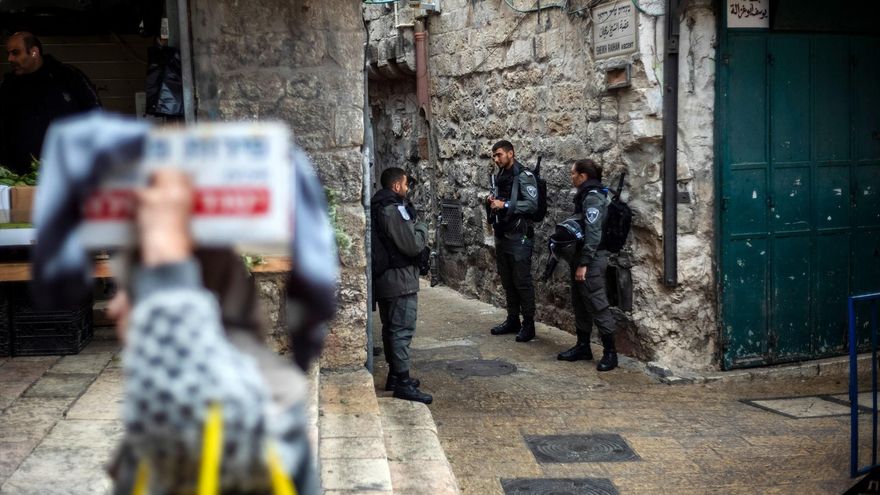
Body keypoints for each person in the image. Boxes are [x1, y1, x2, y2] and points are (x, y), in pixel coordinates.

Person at [106, 170, 319, 494]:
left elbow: (191, 388)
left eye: (128, 290)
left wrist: (165, 260)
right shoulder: (269, 395)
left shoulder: (219, 406)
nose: (113, 308)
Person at [371, 167, 433, 404]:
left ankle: (395, 376)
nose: (407, 189)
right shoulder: (394, 209)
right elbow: (412, 245)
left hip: (388, 278)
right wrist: (422, 228)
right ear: (397, 186)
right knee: (402, 330)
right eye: (405, 185)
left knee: (391, 329)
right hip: (399, 280)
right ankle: (403, 383)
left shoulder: (379, 205)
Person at [0, 31, 101, 174]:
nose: (10, 58)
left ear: (34, 52)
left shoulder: (67, 76)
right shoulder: (8, 87)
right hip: (21, 175)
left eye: (16, 53)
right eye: (8, 53)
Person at [557, 159, 618, 371]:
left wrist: (584, 263)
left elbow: (593, 234)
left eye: (573, 173)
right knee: (580, 303)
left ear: (582, 176)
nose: (571, 176)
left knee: (597, 303)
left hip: (591, 258)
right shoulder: (587, 194)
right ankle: (583, 346)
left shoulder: (592, 197)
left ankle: (610, 353)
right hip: (581, 257)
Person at [485, 140, 539, 342]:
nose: (496, 159)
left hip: (519, 237)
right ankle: (512, 319)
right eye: (494, 156)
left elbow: (532, 205)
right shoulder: (501, 176)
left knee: (522, 282)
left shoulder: (524, 176)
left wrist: (505, 204)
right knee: (508, 281)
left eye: (499, 154)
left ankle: (529, 324)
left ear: (511, 153)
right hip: (503, 234)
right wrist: (491, 202)